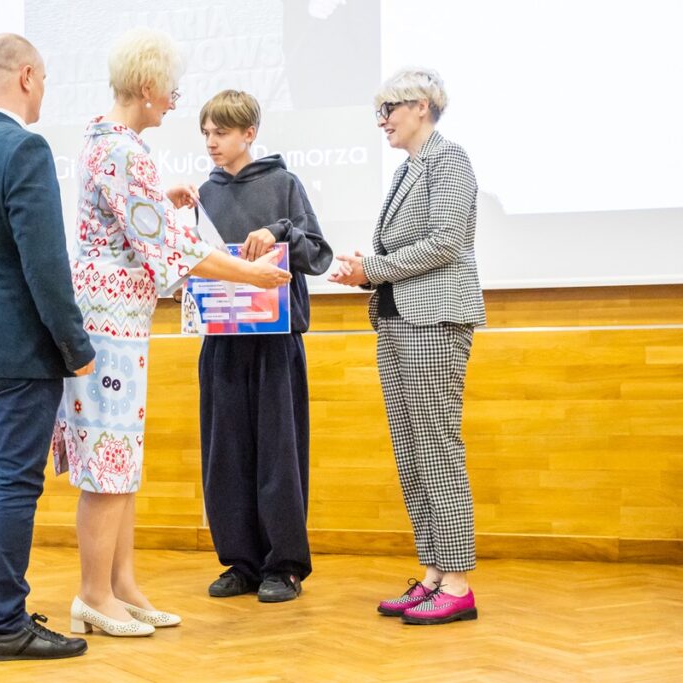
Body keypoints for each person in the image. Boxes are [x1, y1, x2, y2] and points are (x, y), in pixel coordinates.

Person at [52, 28, 292, 638]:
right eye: (171, 91)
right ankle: (92, 594)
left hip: (120, 326)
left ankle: (122, 586)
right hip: (108, 328)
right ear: (147, 86)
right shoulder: (122, 150)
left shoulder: (114, 144)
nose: (175, 102)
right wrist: (253, 273)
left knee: (122, 459)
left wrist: (160, 197)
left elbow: (133, 223)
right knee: (108, 460)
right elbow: (171, 248)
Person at [0, 34, 96, 660]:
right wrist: (74, 345)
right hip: (20, 349)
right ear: (27, 76)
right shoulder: (25, 149)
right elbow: (46, 266)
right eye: (46, 80)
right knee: (12, 486)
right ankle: (6, 624)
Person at [329, 68, 486, 625]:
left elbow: (445, 242)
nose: (382, 121)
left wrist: (370, 268)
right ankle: (435, 574)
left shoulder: (450, 160)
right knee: (412, 449)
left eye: (389, 109)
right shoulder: (406, 171)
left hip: (436, 321)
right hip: (398, 321)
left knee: (438, 452)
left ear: (422, 106)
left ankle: (459, 582)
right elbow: (407, 249)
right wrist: (367, 272)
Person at [197, 90, 333, 603]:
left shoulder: (283, 183)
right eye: (206, 134)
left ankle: (284, 564)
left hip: (275, 342)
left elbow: (318, 253)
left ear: (248, 134)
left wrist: (278, 231)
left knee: (279, 452)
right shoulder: (204, 196)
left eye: (222, 133)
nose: (212, 143)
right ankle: (241, 562)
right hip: (221, 341)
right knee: (224, 453)